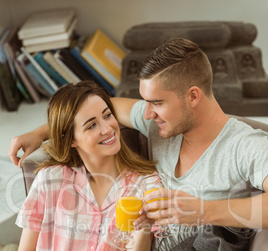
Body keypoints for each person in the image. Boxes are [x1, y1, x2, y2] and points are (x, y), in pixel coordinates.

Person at [8, 39, 268, 233]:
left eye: (156, 102)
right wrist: (42, 132)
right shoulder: (160, 127)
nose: (146, 114)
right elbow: (100, 107)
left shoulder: (244, 146)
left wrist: (202, 210)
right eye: (145, 101)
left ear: (192, 96)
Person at [10, 80, 156, 251]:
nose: (108, 129)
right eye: (91, 125)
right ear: (71, 140)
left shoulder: (145, 185)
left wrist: (144, 227)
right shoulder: (50, 180)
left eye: (107, 115)